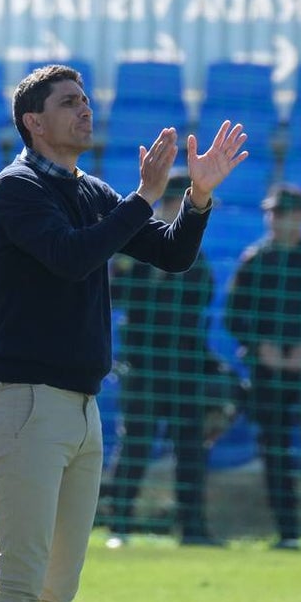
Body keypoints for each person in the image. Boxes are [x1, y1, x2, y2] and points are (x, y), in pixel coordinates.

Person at [0, 64, 247, 602]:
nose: (85, 111)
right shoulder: (19, 188)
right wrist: (145, 198)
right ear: (33, 120)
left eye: (87, 101)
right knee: (21, 578)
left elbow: (171, 254)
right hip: (26, 401)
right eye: (69, 103)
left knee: (57, 587)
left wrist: (198, 196)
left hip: (82, 406)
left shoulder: (90, 190)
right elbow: (69, 259)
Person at [106, 171, 226, 548]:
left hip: (184, 367)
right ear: (170, 204)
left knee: (190, 449)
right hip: (142, 365)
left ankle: (193, 529)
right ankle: (119, 527)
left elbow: (199, 303)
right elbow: (118, 295)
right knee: (136, 446)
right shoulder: (137, 248)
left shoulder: (197, 256)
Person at [225, 182, 301, 550]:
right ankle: (288, 533)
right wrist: (261, 348)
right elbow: (235, 316)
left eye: (284, 213)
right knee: (274, 452)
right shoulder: (255, 259)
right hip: (266, 372)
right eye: (272, 213)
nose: (276, 220)